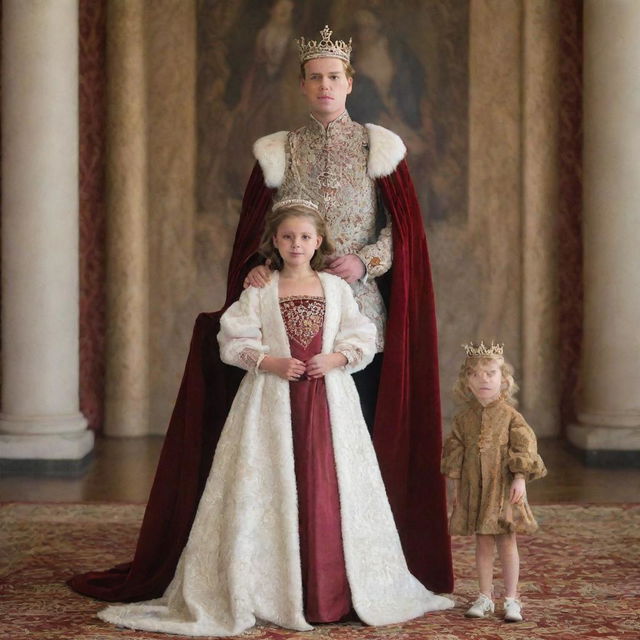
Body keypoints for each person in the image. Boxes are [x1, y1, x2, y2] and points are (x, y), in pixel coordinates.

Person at [68, 24, 452, 605]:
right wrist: (254, 266)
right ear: (303, 85)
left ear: (350, 83)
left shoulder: (381, 148)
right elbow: (257, 230)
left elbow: (400, 235)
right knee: (284, 442)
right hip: (284, 314)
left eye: (334, 77)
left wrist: (364, 261)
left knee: (355, 442)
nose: (325, 86)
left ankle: (353, 568)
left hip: (356, 318)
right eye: (315, 78)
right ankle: (284, 565)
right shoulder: (279, 151)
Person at [97, 201, 454, 636]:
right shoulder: (261, 289)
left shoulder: (335, 288)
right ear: (275, 242)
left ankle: (331, 592)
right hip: (270, 401)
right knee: (269, 485)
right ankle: (271, 590)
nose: (296, 244)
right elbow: (233, 338)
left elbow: (361, 332)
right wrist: (270, 363)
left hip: (329, 402)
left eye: (305, 237)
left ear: (318, 241)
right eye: (288, 237)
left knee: (327, 483)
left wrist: (338, 356)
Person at [441, 341, 547, 623]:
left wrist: (521, 479)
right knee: (483, 541)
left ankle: (512, 599)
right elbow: (455, 451)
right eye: (475, 374)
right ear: (467, 381)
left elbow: (524, 448)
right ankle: (485, 596)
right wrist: (455, 487)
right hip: (475, 488)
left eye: (490, 373)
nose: (483, 380)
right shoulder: (464, 418)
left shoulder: (512, 416)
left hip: (503, 488)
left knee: (506, 539)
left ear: (504, 379)